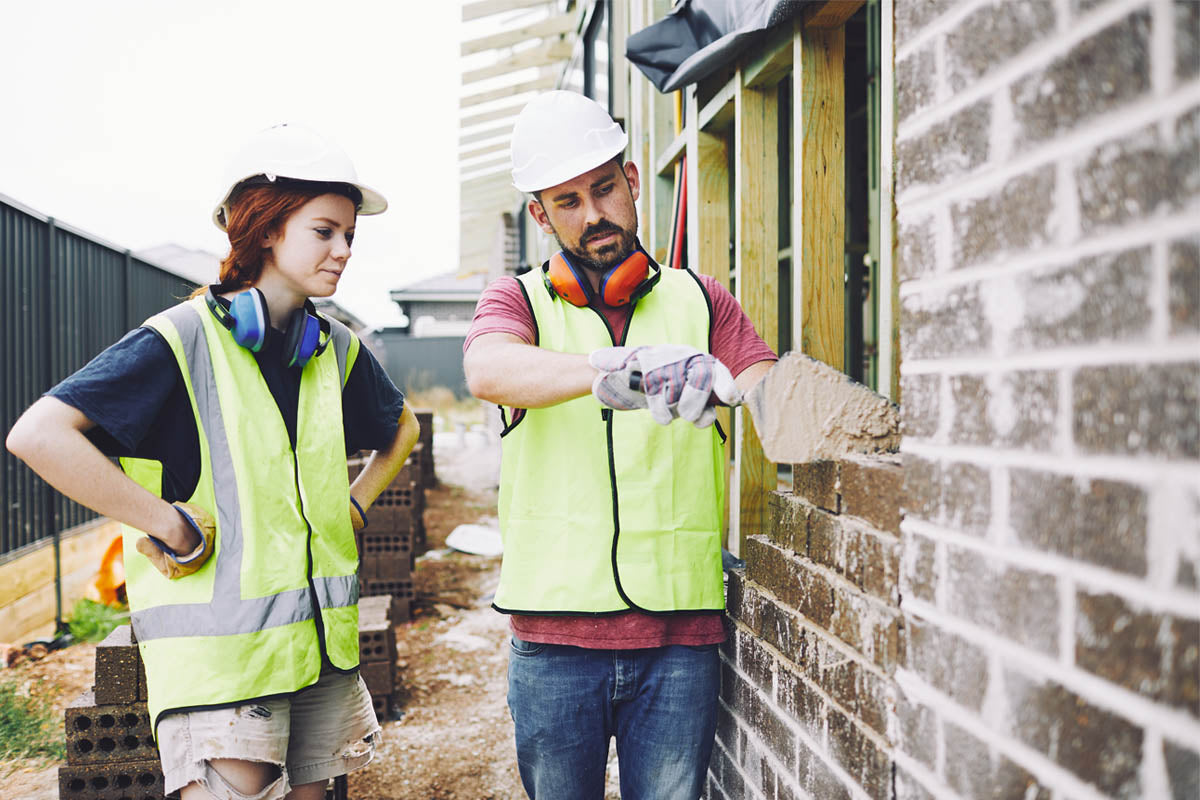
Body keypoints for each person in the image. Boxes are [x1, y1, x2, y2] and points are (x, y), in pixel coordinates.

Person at [6, 123, 419, 800]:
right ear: (264, 228)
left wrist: (354, 503)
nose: (344, 250)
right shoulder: (182, 339)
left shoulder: (332, 350)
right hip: (224, 671)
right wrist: (166, 523)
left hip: (317, 651)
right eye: (325, 231)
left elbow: (400, 431)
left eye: (350, 235)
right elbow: (38, 434)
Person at [463, 91, 777, 799]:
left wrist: (733, 384)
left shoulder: (703, 301)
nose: (593, 214)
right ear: (540, 216)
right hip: (554, 642)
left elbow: (768, 388)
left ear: (633, 182)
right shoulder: (518, 302)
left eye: (604, 188)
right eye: (567, 201)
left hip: (678, 640)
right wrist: (610, 373)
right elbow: (487, 368)